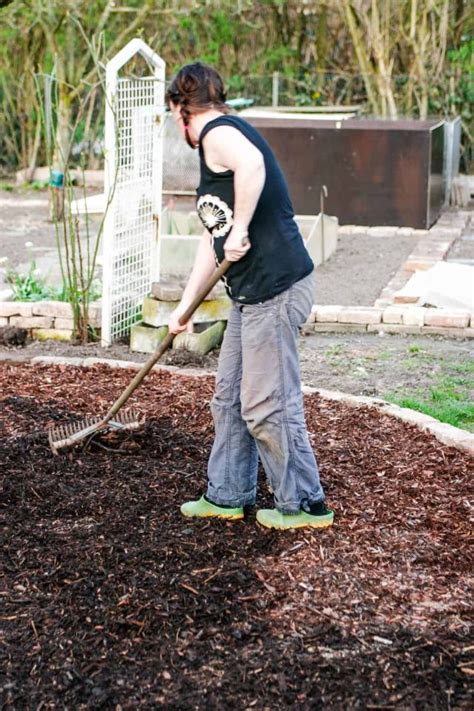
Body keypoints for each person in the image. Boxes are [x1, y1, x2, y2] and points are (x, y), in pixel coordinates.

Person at [166, 62, 334, 530]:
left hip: (276, 289)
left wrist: (241, 228)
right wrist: (184, 310)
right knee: (228, 399)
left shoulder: (218, 132)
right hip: (250, 294)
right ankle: (226, 494)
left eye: (173, 113)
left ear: (181, 108)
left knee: (267, 403)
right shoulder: (216, 147)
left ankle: (304, 506)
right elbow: (210, 238)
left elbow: (254, 166)